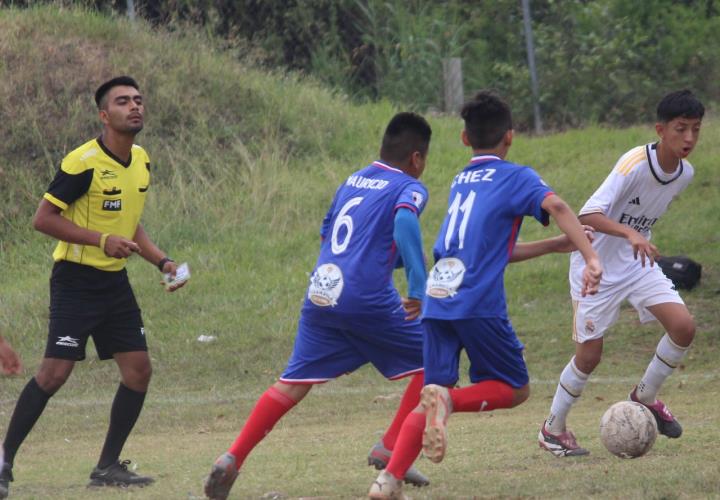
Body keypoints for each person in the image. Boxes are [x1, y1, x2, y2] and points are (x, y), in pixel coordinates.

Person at [369, 90, 602, 499]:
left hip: (439, 298)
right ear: (509, 136)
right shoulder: (516, 176)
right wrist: (591, 256)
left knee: (431, 394)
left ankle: (388, 480)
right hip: (476, 300)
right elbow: (560, 206)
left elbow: (496, 250)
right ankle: (448, 403)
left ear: (464, 139)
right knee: (514, 388)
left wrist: (552, 246)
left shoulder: (462, 180)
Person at [204, 112, 434, 500]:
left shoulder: (352, 181)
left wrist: (378, 265)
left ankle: (232, 457)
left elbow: (333, 234)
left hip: (323, 291)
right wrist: (417, 287)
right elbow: (405, 225)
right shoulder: (408, 186)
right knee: (436, 358)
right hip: (366, 299)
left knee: (292, 383)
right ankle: (392, 447)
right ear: (416, 158)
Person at [0, 76, 186, 498]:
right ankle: (4, 458)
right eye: (123, 102)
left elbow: (130, 223)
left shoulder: (141, 160)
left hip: (114, 284)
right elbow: (43, 219)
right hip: (75, 282)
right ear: (105, 115)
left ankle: (106, 467)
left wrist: (161, 261)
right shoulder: (81, 162)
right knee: (54, 374)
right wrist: (101, 240)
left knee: (138, 372)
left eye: (138, 100)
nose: (134, 106)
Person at [538, 89, 703, 457]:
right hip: (594, 264)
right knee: (589, 357)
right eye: (681, 129)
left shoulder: (684, 174)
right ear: (661, 129)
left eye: (695, 129)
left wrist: (636, 237)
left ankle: (645, 395)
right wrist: (630, 233)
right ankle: (553, 429)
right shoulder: (633, 163)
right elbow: (586, 216)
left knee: (683, 326)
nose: (689, 138)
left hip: (635, 262)